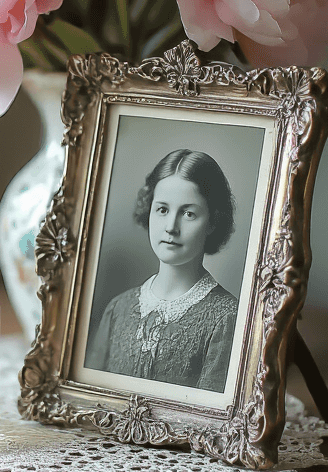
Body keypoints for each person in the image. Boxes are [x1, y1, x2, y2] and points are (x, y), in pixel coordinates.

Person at [86, 149, 239, 393]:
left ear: (212, 221)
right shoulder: (118, 308)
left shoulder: (227, 318)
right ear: (149, 211)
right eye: (162, 210)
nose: (170, 227)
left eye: (188, 213)